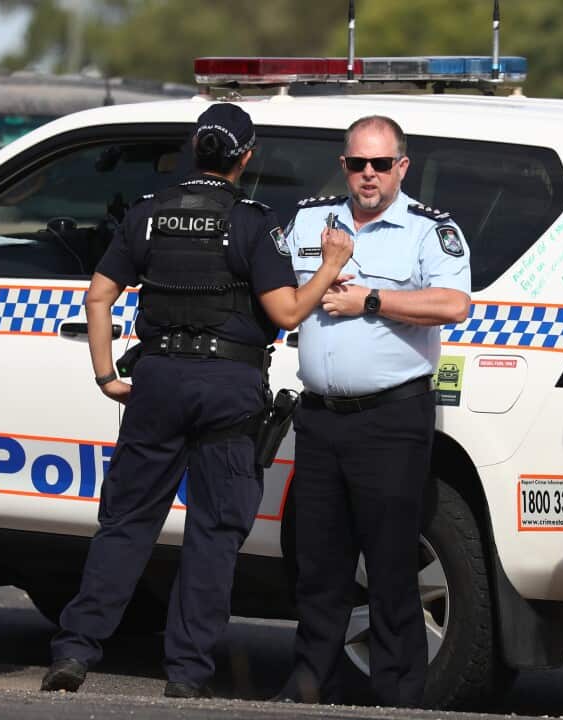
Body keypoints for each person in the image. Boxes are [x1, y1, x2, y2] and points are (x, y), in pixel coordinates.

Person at [41, 103, 354, 698]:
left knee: (126, 524)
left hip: (156, 382)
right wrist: (331, 266)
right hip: (226, 389)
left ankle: (76, 652)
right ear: (246, 157)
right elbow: (286, 311)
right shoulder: (253, 223)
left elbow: (98, 296)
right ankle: (185, 675)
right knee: (213, 533)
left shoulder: (148, 215)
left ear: (194, 149)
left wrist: (107, 375)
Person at [274, 115, 471, 708]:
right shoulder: (311, 220)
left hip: (391, 418)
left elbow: (453, 303)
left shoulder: (426, 230)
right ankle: (311, 680)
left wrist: (372, 300)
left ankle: (397, 690)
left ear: (401, 167)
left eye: (380, 164)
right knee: (318, 561)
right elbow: (275, 286)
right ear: (343, 165)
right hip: (320, 416)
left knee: (389, 562)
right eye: (358, 163)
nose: (368, 174)